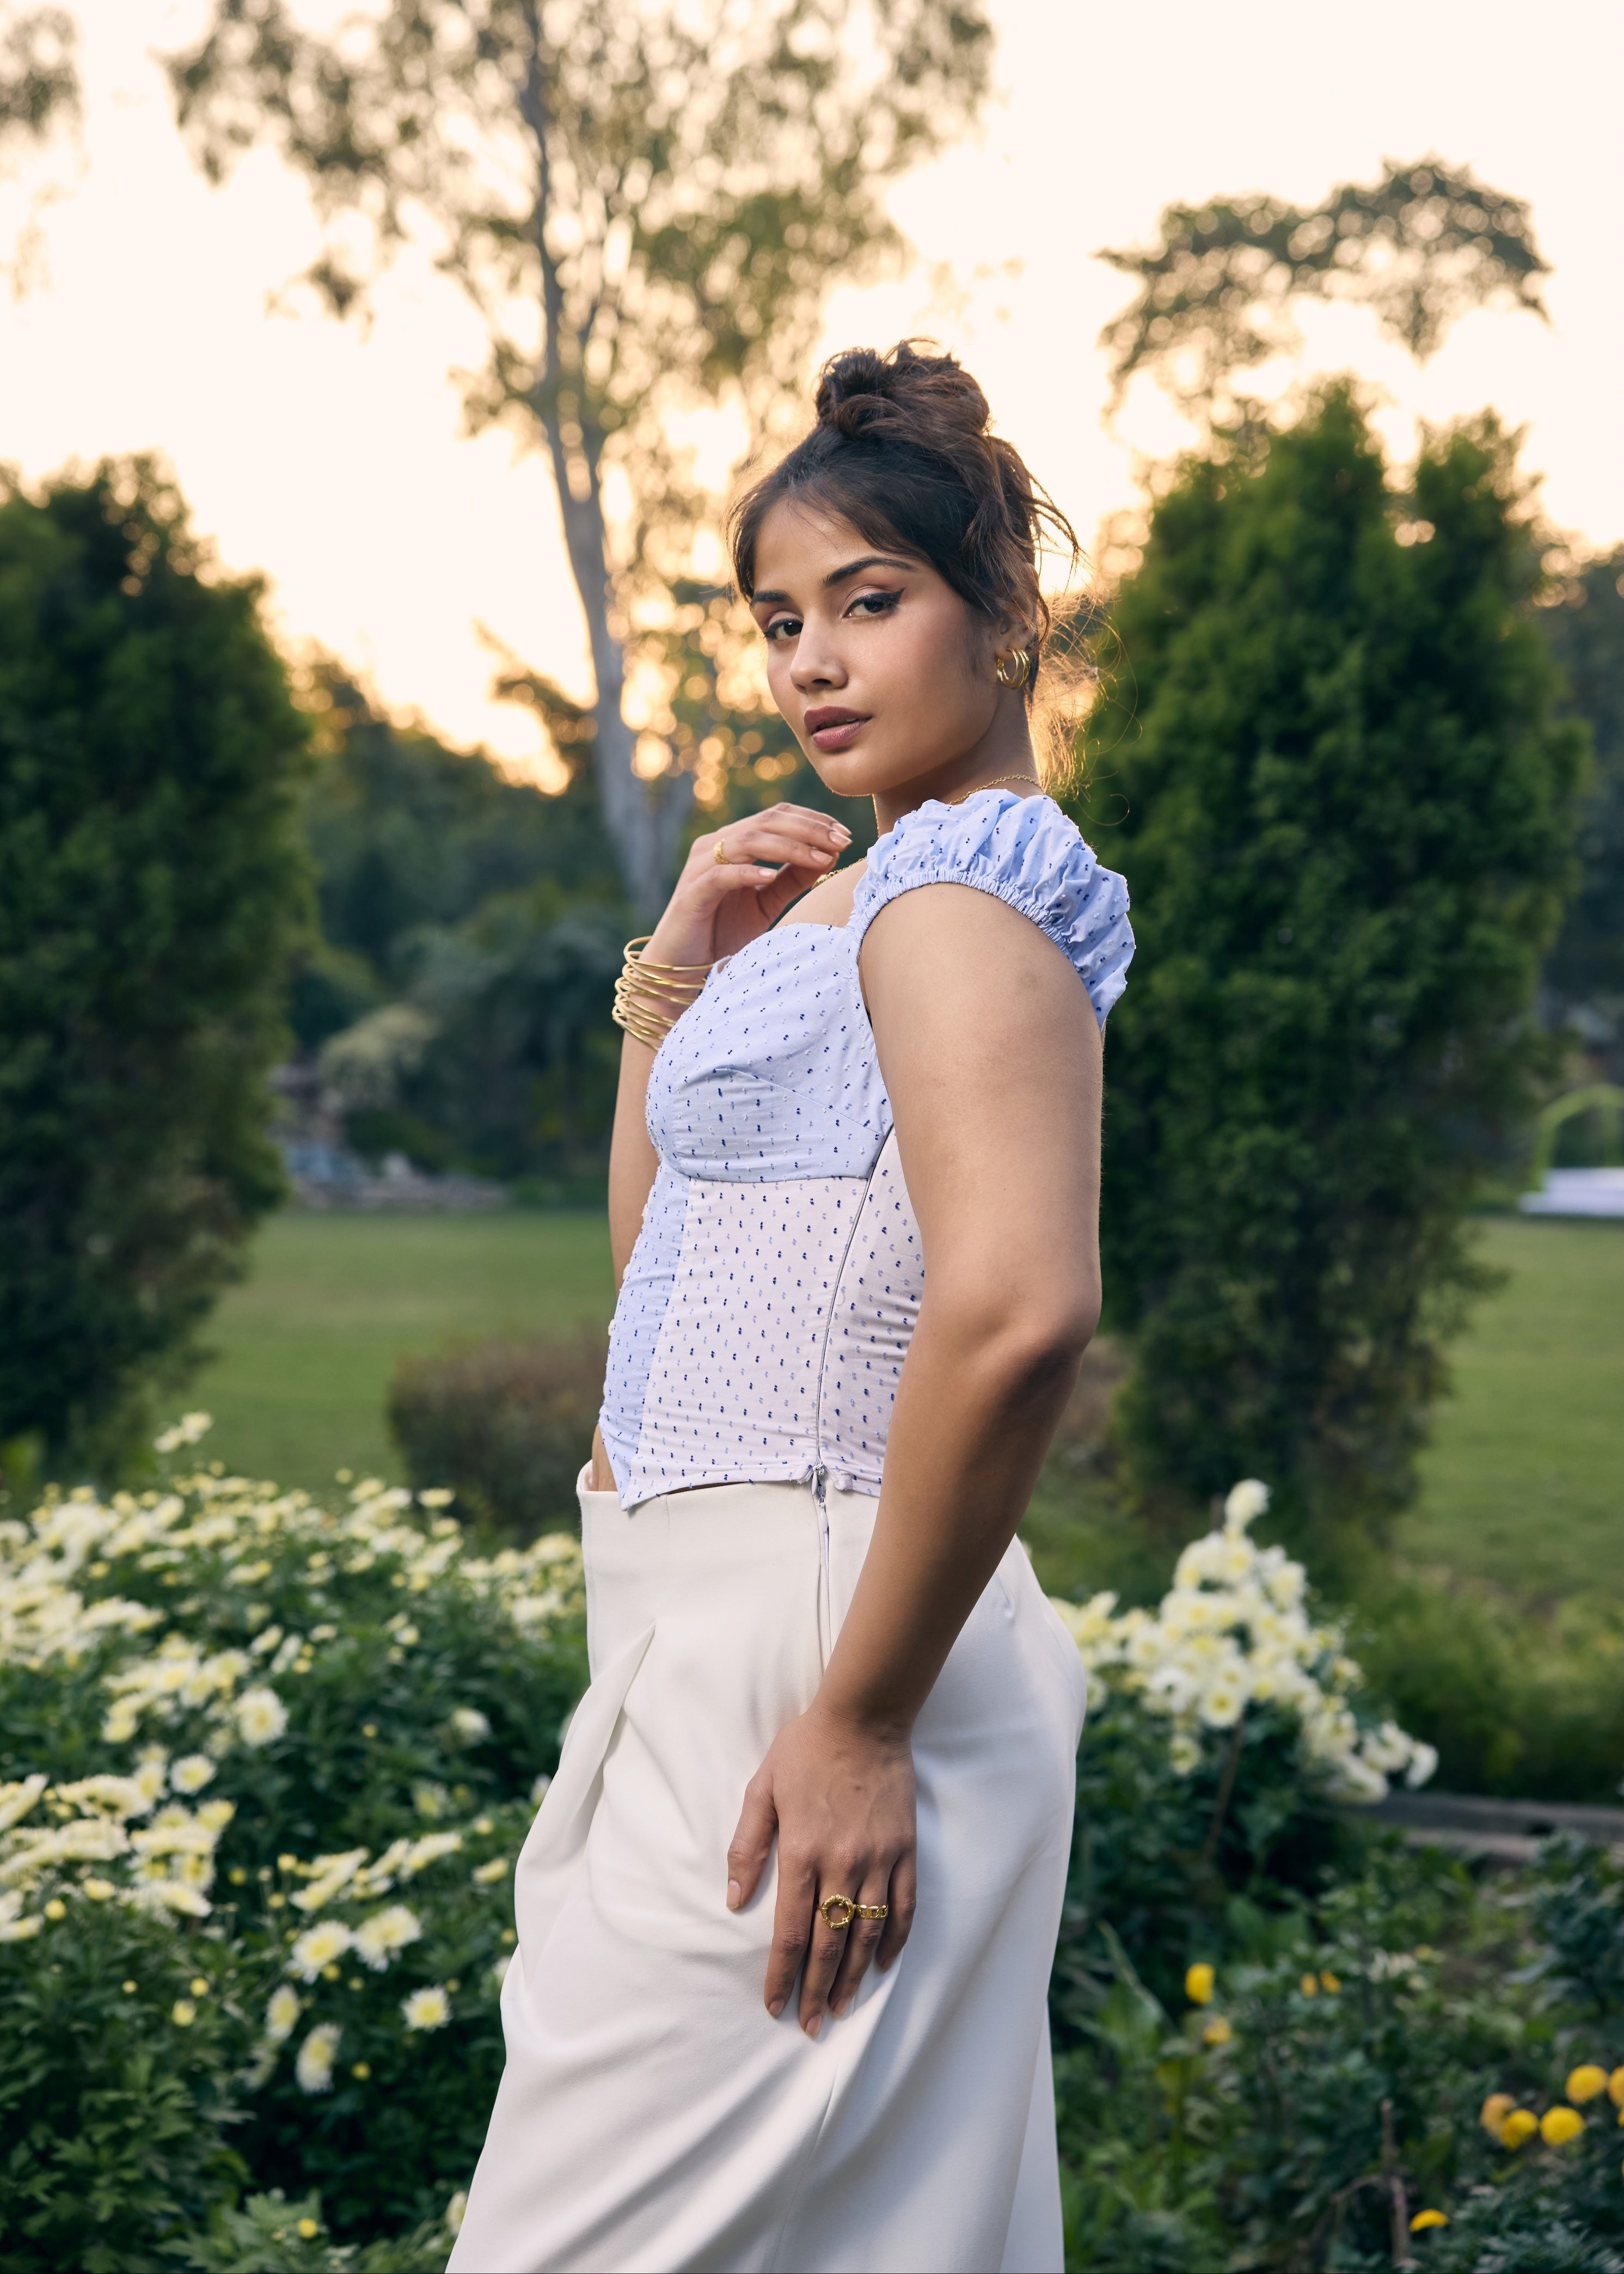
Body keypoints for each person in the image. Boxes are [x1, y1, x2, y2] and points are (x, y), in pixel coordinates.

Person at [450, 341, 1133, 2274]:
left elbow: (1015, 1310)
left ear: (1005, 620)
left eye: (870, 601)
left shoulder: (968, 886)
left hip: (826, 1633)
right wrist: (669, 987)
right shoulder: (863, 894)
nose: (812, 662)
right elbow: (661, 1273)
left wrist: (857, 1714)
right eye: (778, 620)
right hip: (710, 1623)